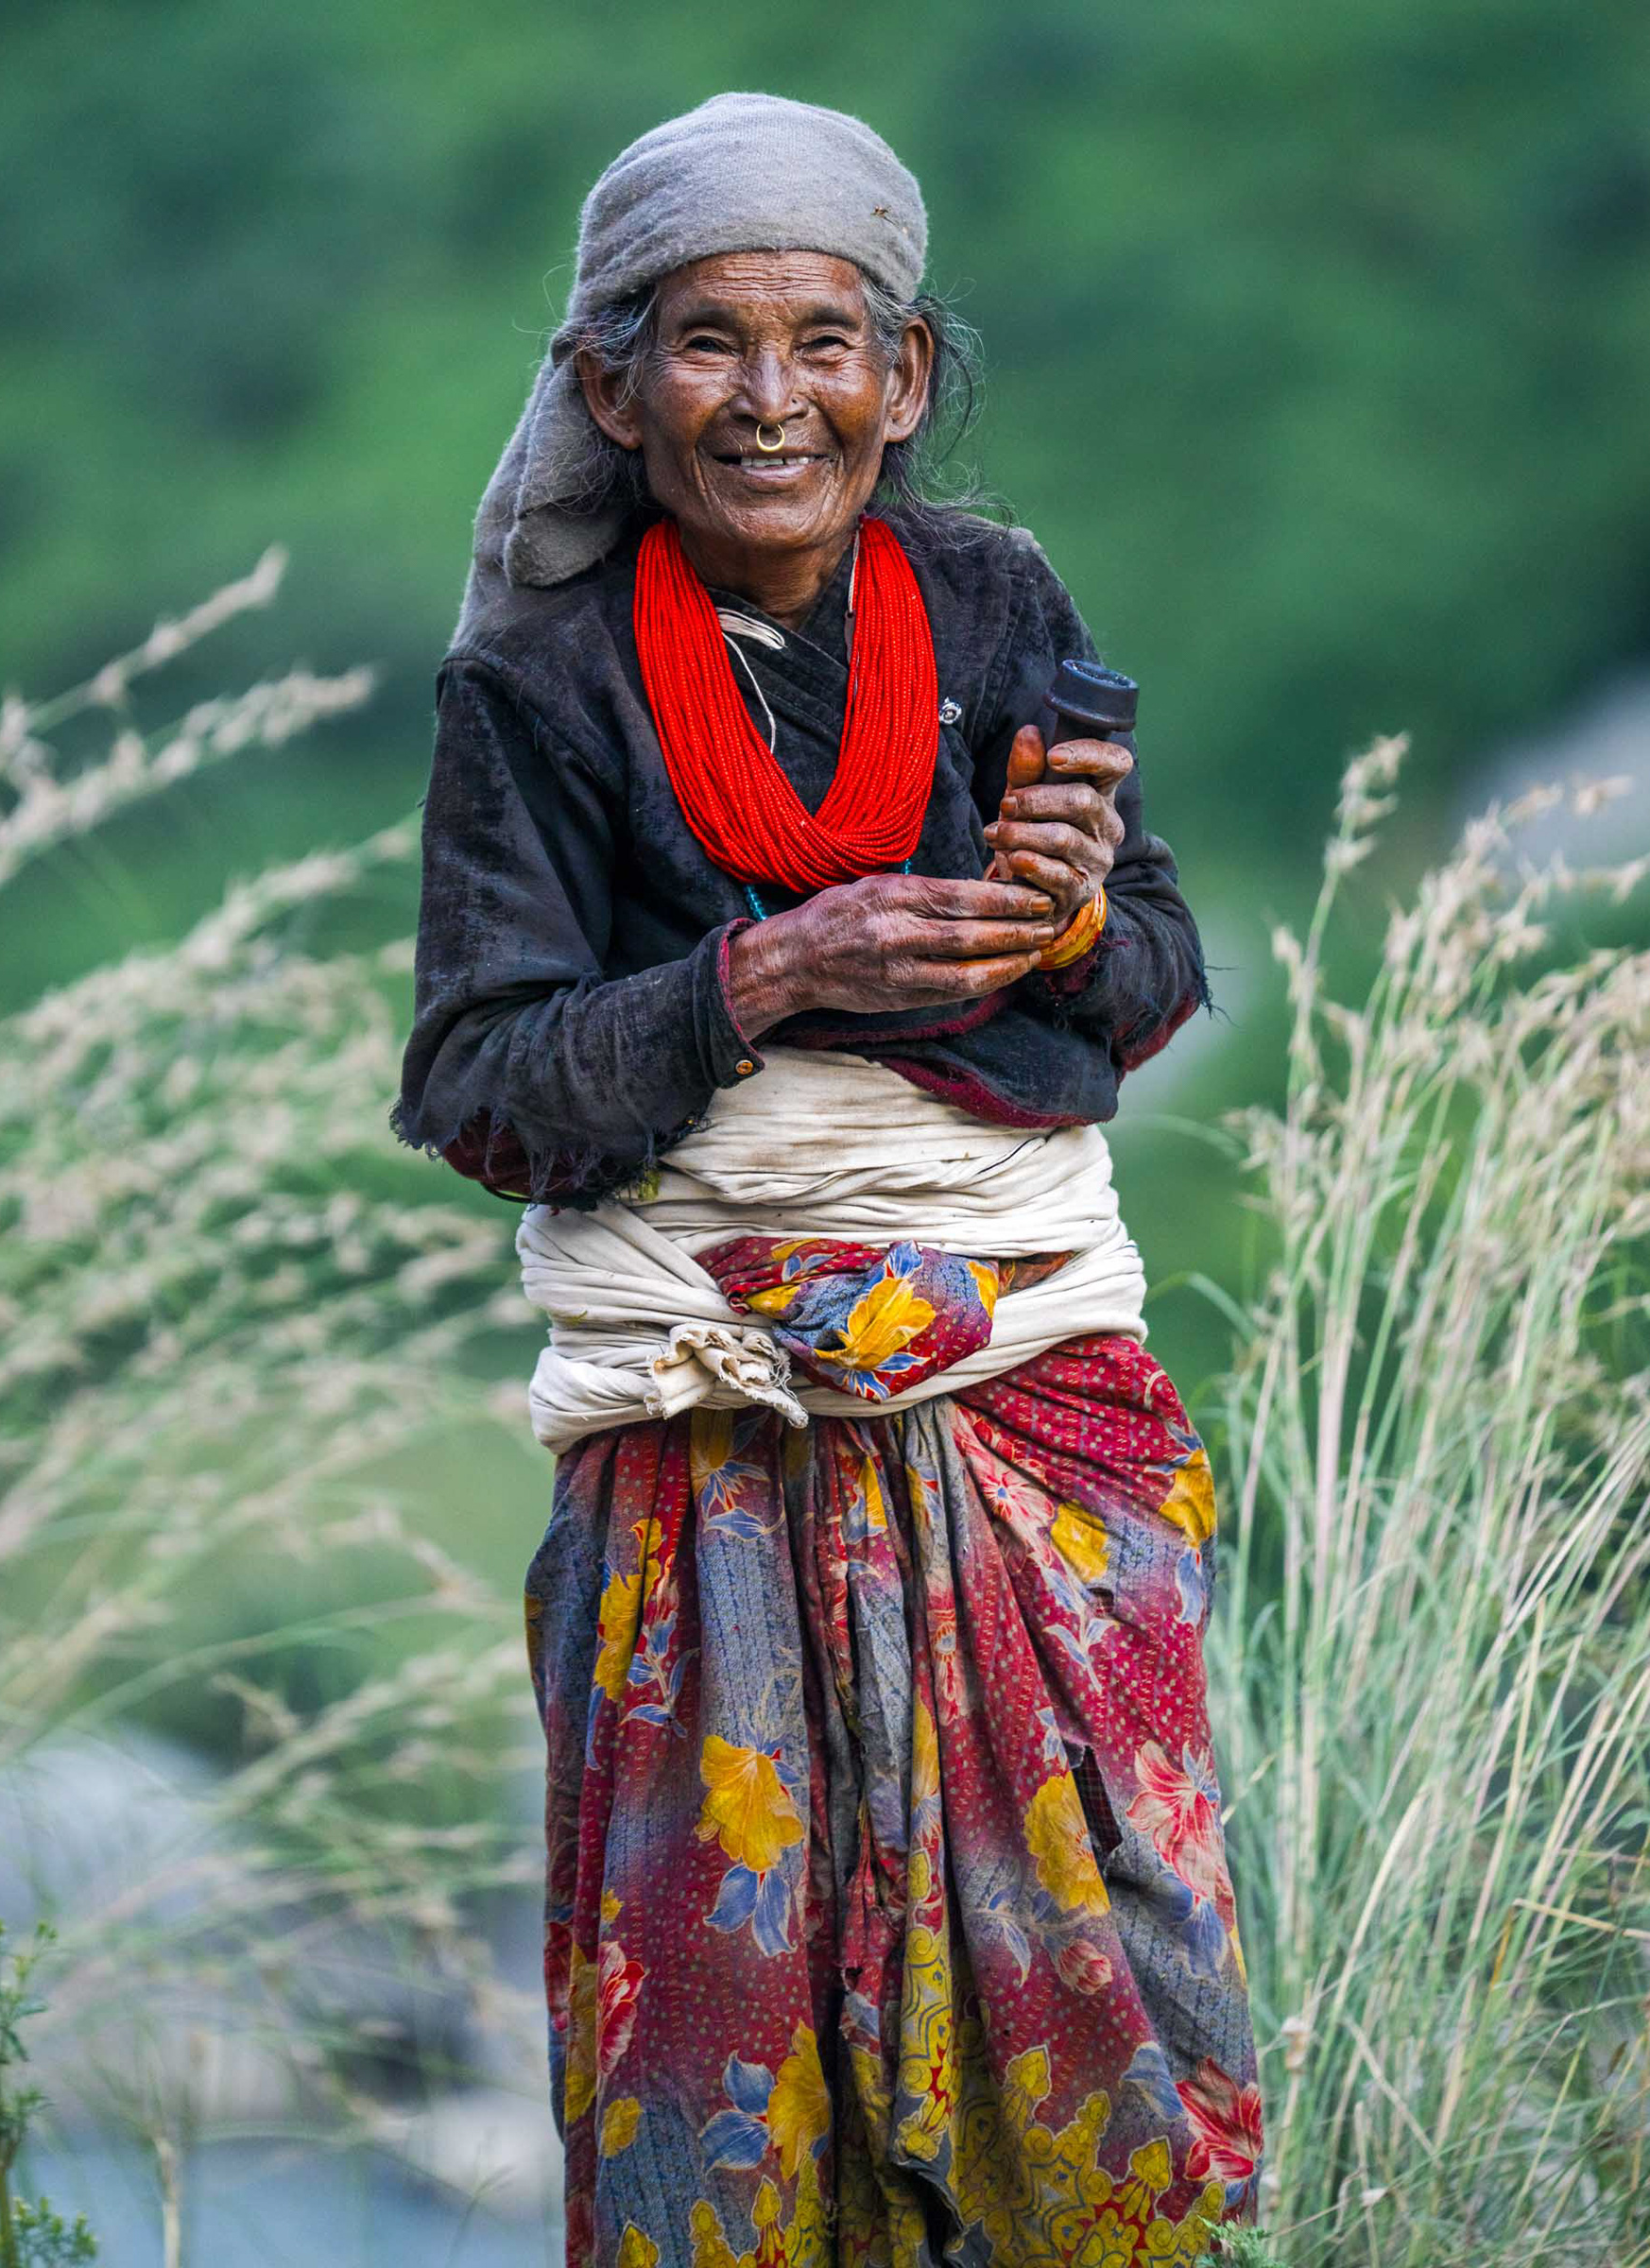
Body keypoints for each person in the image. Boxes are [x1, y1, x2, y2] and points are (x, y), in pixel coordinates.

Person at [393, 90, 1262, 2268]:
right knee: (715, 2049)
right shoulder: (537, 678)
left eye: (825, 341)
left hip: (1025, 1410)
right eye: (705, 342)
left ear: (908, 378)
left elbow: (1151, 978)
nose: (769, 399)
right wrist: (765, 972)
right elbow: (482, 1086)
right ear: (610, 383)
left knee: (1109, 1999)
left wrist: (1066, 926)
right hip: (708, 1439)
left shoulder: (995, 602)